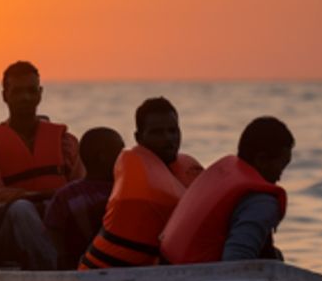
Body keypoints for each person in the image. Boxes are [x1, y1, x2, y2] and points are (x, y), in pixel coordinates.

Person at [0, 60, 82, 269]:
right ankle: (53, 272)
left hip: (53, 222)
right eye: (18, 92)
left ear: (40, 94)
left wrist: (49, 204)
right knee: (22, 209)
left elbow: (80, 189)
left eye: (31, 91)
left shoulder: (64, 140)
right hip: (3, 227)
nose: (25, 97)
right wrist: (35, 197)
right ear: (5, 95)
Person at [80, 96, 204, 270]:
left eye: (173, 130)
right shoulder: (137, 185)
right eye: (157, 132)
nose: (169, 139)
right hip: (104, 279)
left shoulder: (186, 170)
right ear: (139, 138)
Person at [162, 117, 297, 265]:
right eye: (282, 166)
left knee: (274, 255)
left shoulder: (223, 172)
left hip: (170, 268)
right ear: (261, 160)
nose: (280, 176)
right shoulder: (261, 202)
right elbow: (236, 263)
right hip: (199, 280)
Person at [43, 127, 122, 269]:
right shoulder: (67, 196)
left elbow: (53, 231)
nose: (124, 156)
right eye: (119, 151)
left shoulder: (65, 195)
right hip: (82, 266)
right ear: (102, 156)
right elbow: (54, 234)